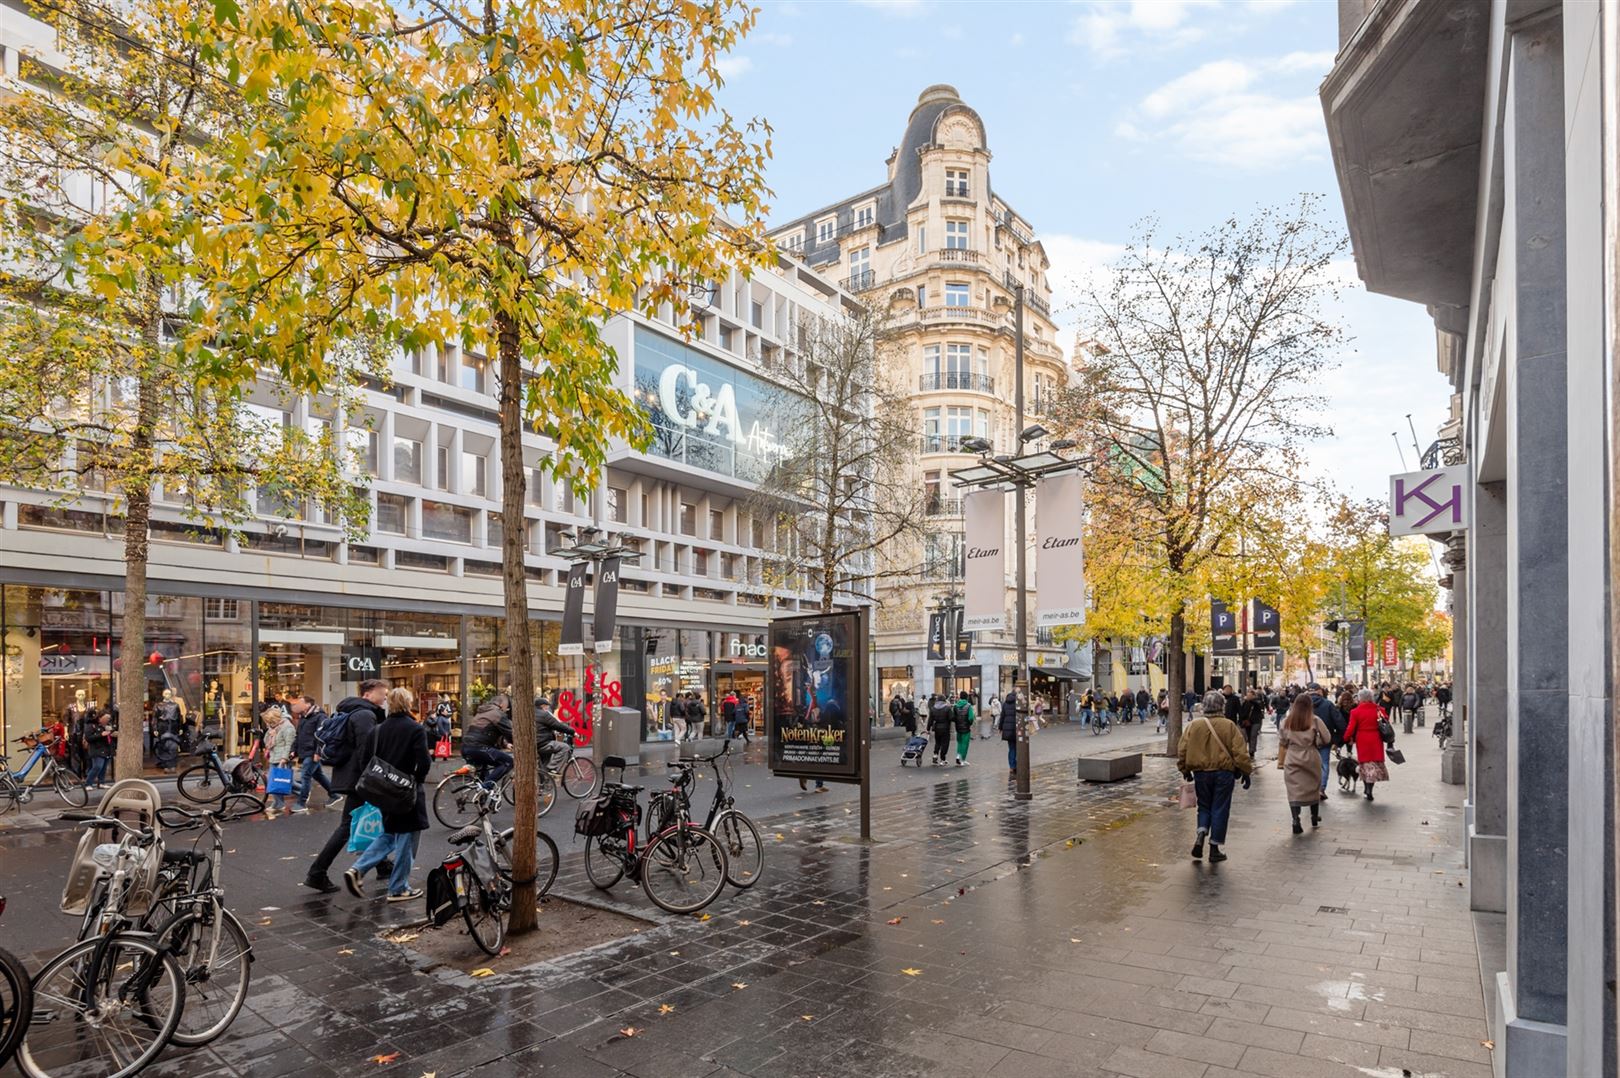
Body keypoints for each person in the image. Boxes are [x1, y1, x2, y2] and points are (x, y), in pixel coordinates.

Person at [344, 686, 430, 902]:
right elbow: (424, 762)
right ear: (408, 704)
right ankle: (398, 887)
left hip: (383, 792)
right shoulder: (415, 729)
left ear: (389, 704)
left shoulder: (378, 730)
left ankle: (358, 868)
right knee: (408, 838)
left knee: (390, 833)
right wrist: (415, 780)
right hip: (406, 792)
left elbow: (366, 760)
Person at [303, 679, 389, 894]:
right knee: (348, 826)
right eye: (382, 693)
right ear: (368, 695)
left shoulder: (354, 712)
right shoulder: (364, 715)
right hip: (359, 779)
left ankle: (383, 864)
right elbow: (366, 750)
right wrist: (372, 778)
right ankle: (317, 873)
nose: (385, 697)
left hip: (352, 776)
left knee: (368, 819)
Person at [1177, 690, 1253, 863]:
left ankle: (1201, 832)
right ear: (1221, 706)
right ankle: (1214, 848)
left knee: (1204, 806)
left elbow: (1182, 750)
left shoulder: (1194, 726)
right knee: (1220, 807)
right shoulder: (1229, 726)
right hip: (1223, 773)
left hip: (1201, 774)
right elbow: (1240, 752)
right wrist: (1246, 771)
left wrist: (1184, 770)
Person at [1277, 695, 1332, 833]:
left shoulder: (1286, 722)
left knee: (1294, 789)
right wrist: (1316, 741)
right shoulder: (1315, 720)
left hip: (1293, 757)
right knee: (1313, 787)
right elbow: (1327, 738)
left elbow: (1282, 741)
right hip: (1311, 756)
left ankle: (1296, 819)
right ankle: (1314, 816)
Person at [289, 695, 334, 813]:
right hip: (305, 752)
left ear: (308, 704)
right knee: (318, 775)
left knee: (305, 775)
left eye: (300, 703)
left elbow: (322, 736)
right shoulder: (303, 717)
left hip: (312, 752)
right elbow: (299, 735)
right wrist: (294, 750)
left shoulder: (320, 717)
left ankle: (301, 802)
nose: (297, 705)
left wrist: (318, 752)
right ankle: (334, 794)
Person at [1343, 689, 1390, 801]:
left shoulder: (1355, 712)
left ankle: (1366, 788)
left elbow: (1351, 727)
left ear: (1360, 698)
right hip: (1376, 739)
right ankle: (1369, 789)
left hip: (1362, 739)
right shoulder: (1379, 709)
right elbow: (1386, 722)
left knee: (1365, 765)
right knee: (1373, 765)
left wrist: (1345, 738)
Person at [462, 693, 515, 786]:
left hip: (466, 747)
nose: (507, 709)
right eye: (507, 707)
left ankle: (480, 796)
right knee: (507, 762)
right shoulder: (498, 714)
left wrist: (506, 744)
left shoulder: (482, 712)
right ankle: (485, 788)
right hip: (479, 748)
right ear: (502, 704)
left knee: (483, 773)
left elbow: (488, 731)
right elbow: (510, 733)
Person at [1309, 683, 1344, 802]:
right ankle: (1321, 789)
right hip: (1325, 739)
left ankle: (1311, 789)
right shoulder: (1328, 704)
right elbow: (1340, 723)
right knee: (1324, 764)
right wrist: (1337, 740)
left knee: (1309, 764)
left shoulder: (1303, 705)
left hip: (1307, 740)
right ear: (1319, 691)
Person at [262, 705, 296, 818]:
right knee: (275, 781)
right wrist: (269, 733)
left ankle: (303, 790)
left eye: (268, 721)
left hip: (281, 757)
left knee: (284, 781)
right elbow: (266, 741)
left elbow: (288, 744)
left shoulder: (287, 727)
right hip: (274, 756)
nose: (267, 723)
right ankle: (278, 803)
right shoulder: (273, 728)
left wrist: (284, 759)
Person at [534, 694, 575, 768]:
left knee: (544, 763)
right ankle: (552, 769)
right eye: (547, 706)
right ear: (543, 706)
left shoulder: (533, 713)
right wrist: (572, 731)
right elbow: (558, 725)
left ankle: (545, 777)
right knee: (565, 747)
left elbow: (544, 726)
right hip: (543, 743)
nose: (548, 708)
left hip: (536, 742)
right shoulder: (544, 714)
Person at [1237, 688, 1266, 759]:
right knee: (1246, 736)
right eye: (1248, 695)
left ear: (1253, 695)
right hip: (1247, 722)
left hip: (1256, 721)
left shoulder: (1257, 702)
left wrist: (1251, 700)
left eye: (1250, 695)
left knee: (1253, 736)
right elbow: (1242, 712)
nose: (1248, 696)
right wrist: (1240, 721)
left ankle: (1251, 751)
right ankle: (1245, 751)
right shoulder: (1245, 702)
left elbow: (1260, 707)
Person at [928, 693, 953, 766]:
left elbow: (930, 720)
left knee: (938, 742)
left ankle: (935, 755)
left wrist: (928, 729)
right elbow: (951, 718)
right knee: (945, 744)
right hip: (945, 728)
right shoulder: (947, 708)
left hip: (937, 728)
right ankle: (943, 759)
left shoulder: (933, 708)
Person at [999, 690, 1019, 775]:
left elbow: (1002, 716)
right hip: (1017, 729)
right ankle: (1018, 764)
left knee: (1011, 748)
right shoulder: (1018, 703)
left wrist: (1000, 728)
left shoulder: (1005, 703)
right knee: (1019, 748)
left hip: (1007, 729)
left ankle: (1012, 766)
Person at [953, 691, 974, 766]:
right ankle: (963, 759)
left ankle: (958, 756)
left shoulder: (955, 706)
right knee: (965, 744)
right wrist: (969, 723)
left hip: (958, 727)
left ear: (960, 697)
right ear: (966, 697)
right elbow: (971, 718)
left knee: (959, 742)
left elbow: (953, 717)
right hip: (966, 728)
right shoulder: (969, 706)